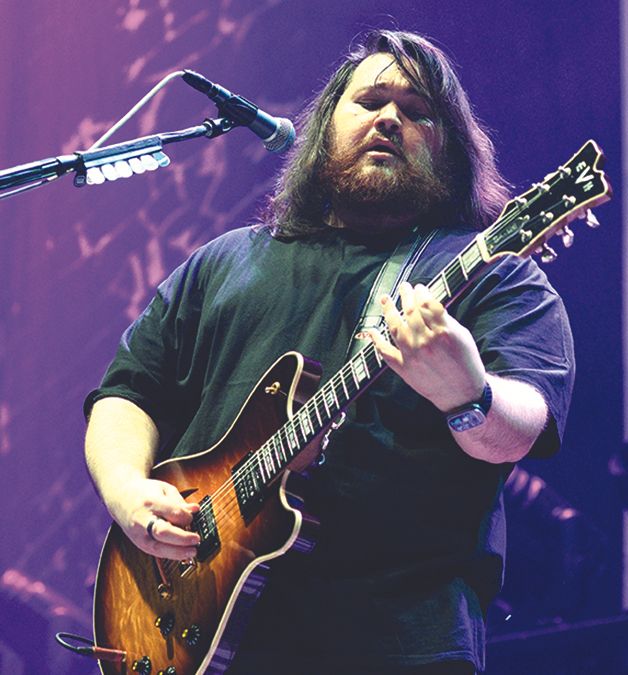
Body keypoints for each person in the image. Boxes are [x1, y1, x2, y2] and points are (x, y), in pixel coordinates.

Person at [83, 29, 574, 674]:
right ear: (324, 126)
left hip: (398, 641)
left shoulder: (494, 273)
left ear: (449, 149)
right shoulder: (225, 261)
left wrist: (467, 394)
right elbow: (127, 394)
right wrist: (127, 494)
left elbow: (517, 431)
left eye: (419, 111)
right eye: (370, 100)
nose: (391, 118)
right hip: (200, 630)